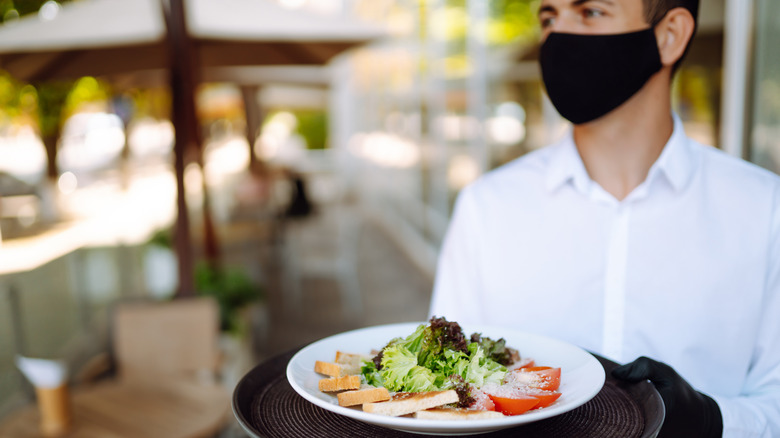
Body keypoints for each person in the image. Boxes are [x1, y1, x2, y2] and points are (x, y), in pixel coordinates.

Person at [428, 0, 780, 436]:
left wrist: (711, 420)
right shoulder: (487, 206)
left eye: (591, 12)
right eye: (549, 18)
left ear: (669, 35)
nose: (558, 36)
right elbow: (443, 389)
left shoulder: (765, 210)